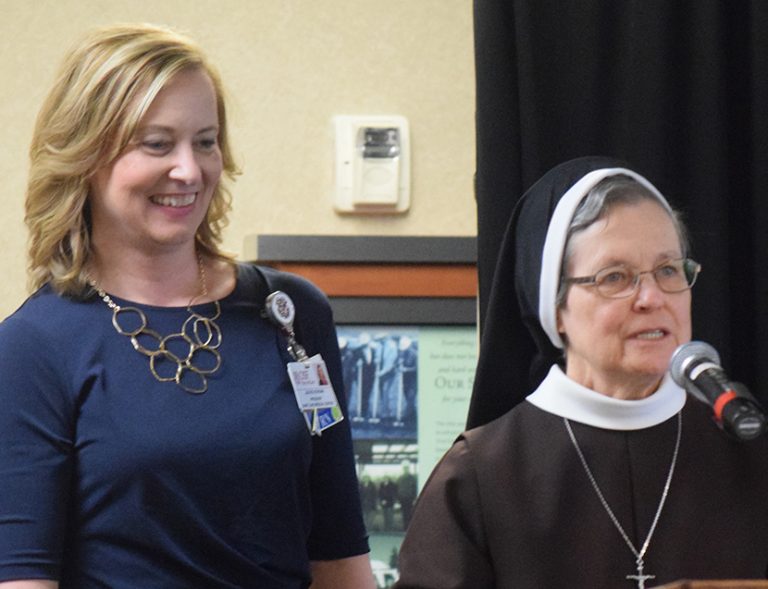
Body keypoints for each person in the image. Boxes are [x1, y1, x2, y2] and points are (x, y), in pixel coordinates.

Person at [0, 23, 374, 589]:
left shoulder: (291, 313)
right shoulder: (34, 346)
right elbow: (25, 579)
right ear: (85, 156)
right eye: (156, 143)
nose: (189, 170)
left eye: (205, 140)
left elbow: (340, 558)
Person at [394, 156, 768, 588]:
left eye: (668, 270)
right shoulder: (478, 476)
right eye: (615, 277)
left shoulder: (748, 457)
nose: (651, 297)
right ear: (555, 310)